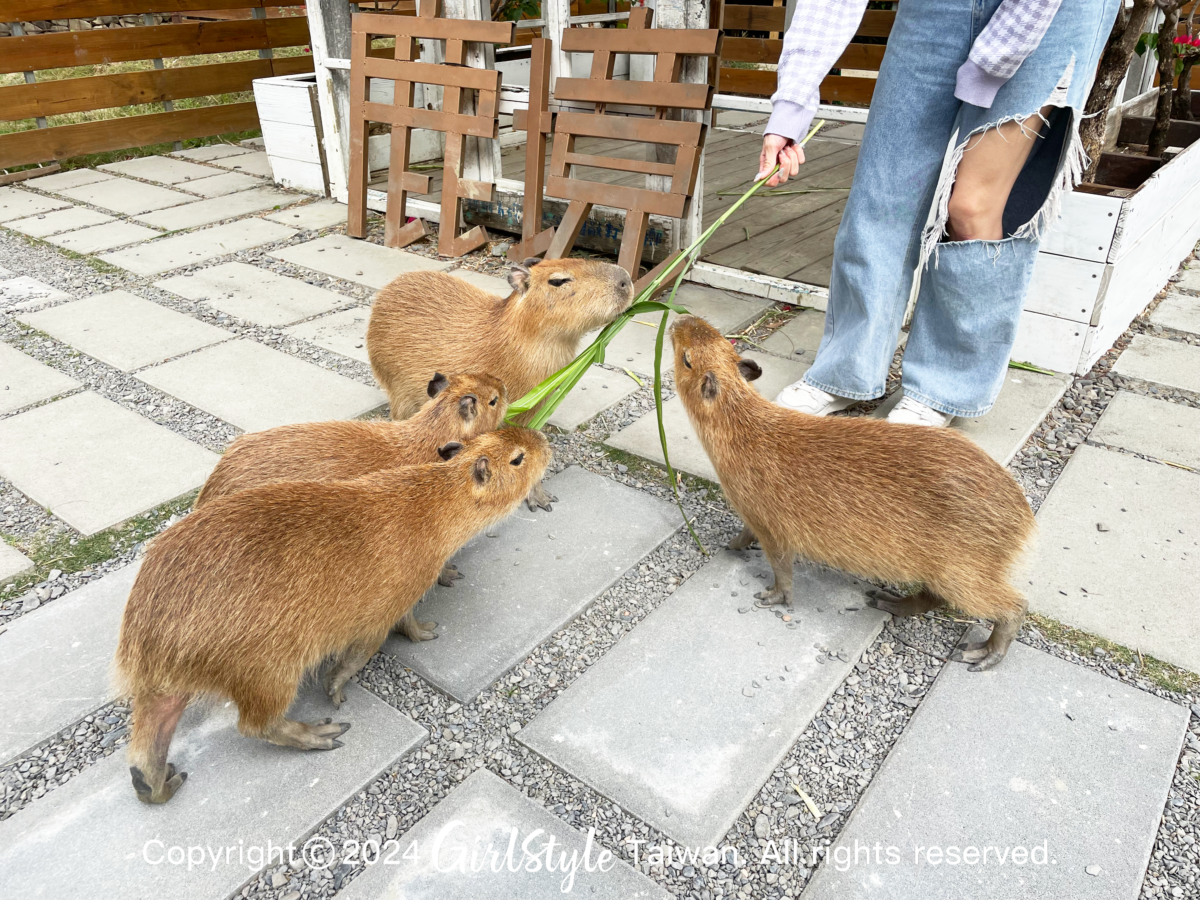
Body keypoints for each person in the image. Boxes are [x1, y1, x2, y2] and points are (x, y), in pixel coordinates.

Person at [759, 0, 1121, 426]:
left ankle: (943, 387)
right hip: (935, 9)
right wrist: (790, 110)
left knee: (973, 208)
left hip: (1049, 12)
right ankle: (845, 369)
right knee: (883, 195)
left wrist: (996, 57)